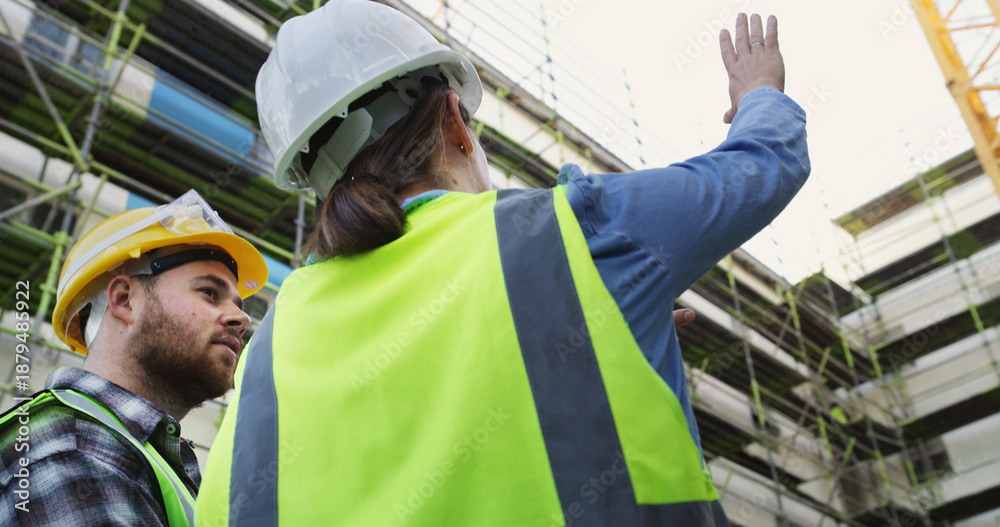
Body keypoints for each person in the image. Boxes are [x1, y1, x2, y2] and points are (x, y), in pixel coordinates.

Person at [197, 1, 808, 525]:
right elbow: (761, 167)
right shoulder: (564, 232)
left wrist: (597, 336)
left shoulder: (268, 349)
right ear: (455, 122)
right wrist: (760, 92)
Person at [0, 190, 268, 526]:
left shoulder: (137, 452)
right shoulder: (75, 448)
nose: (242, 319)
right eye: (209, 293)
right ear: (125, 299)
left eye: (239, 305)